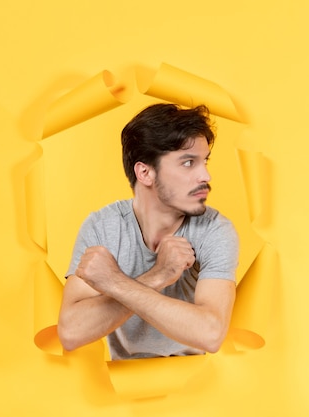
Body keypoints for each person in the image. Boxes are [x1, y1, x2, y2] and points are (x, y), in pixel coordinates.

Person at [57, 103, 239, 360]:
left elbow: (210, 334)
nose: (205, 175)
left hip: (195, 385)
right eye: (188, 163)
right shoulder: (103, 226)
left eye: (204, 161)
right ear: (145, 173)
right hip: (123, 384)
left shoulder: (214, 230)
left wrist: (114, 282)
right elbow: (71, 332)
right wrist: (158, 275)